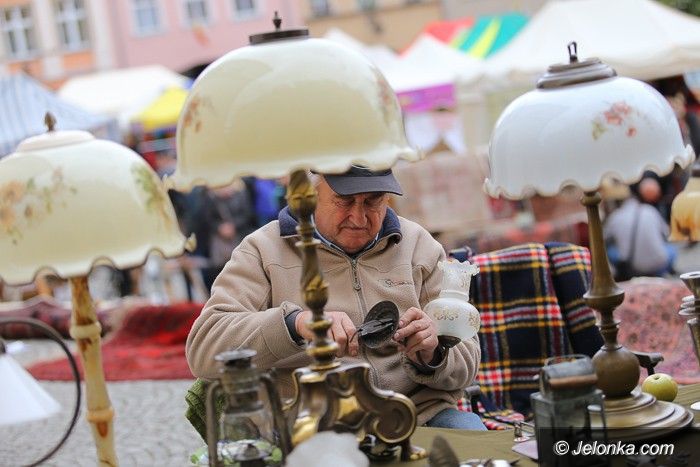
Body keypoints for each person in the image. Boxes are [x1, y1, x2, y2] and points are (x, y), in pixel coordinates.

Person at [186, 166, 485, 430]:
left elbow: (468, 361)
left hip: (419, 414)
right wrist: (295, 324)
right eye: (344, 200)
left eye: (373, 201)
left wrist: (433, 354)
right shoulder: (263, 250)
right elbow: (203, 350)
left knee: (477, 451)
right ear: (311, 194)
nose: (359, 217)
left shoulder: (419, 245)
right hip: (314, 423)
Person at [604, 175, 677, 280]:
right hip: (659, 266)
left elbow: (604, 238)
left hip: (633, 268)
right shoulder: (650, 210)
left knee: (611, 250)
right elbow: (666, 234)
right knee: (672, 249)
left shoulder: (615, 217)